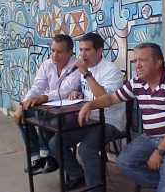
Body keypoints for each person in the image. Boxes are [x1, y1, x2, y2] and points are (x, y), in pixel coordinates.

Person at [78, 43, 165, 192]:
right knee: (124, 163)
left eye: (142, 60)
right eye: (135, 61)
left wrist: (160, 151)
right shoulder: (137, 83)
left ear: (158, 63)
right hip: (151, 137)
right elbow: (111, 98)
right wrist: (90, 105)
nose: (137, 65)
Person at [49, 32, 126, 191]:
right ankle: (78, 174)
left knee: (86, 149)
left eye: (88, 50)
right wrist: (79, 93)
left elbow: (103, 98)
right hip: (88, 119)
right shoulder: (85, 71)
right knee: (55, 142)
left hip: (110, 121)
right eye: (81, 49)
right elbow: (88, 93)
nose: (83, 54)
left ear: (99, 51)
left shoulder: (111, 70)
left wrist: (86, 73)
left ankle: (96, 188)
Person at [13, 34, 81, 174]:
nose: (55, 55)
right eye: (53, 50)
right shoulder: (47, 64)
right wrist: (22, 105)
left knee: (41, 114)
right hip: (51, 110)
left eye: (59, 51)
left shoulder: (76, 66)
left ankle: (48, 156)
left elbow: (66, 90)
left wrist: (44, 97)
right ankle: (37, 157)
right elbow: (37, 87)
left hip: (69, 113)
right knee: (24, 114)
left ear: (70, 52)